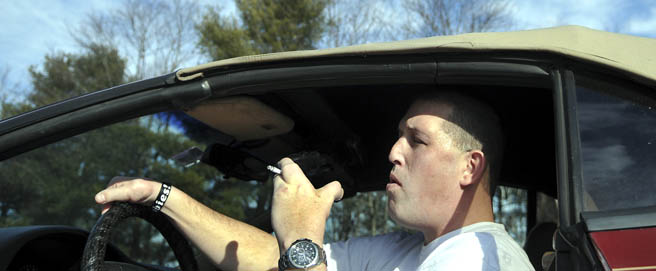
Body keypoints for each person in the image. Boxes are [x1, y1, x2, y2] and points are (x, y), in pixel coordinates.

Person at [95, 89, 535, 270]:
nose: (393, 152)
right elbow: (273, 255)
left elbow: (299, 254)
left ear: (469, 167)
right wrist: (160, 197)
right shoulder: (408, 250)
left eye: (415, 141)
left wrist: (303, 235)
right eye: (398, 137)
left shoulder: (481, 260)